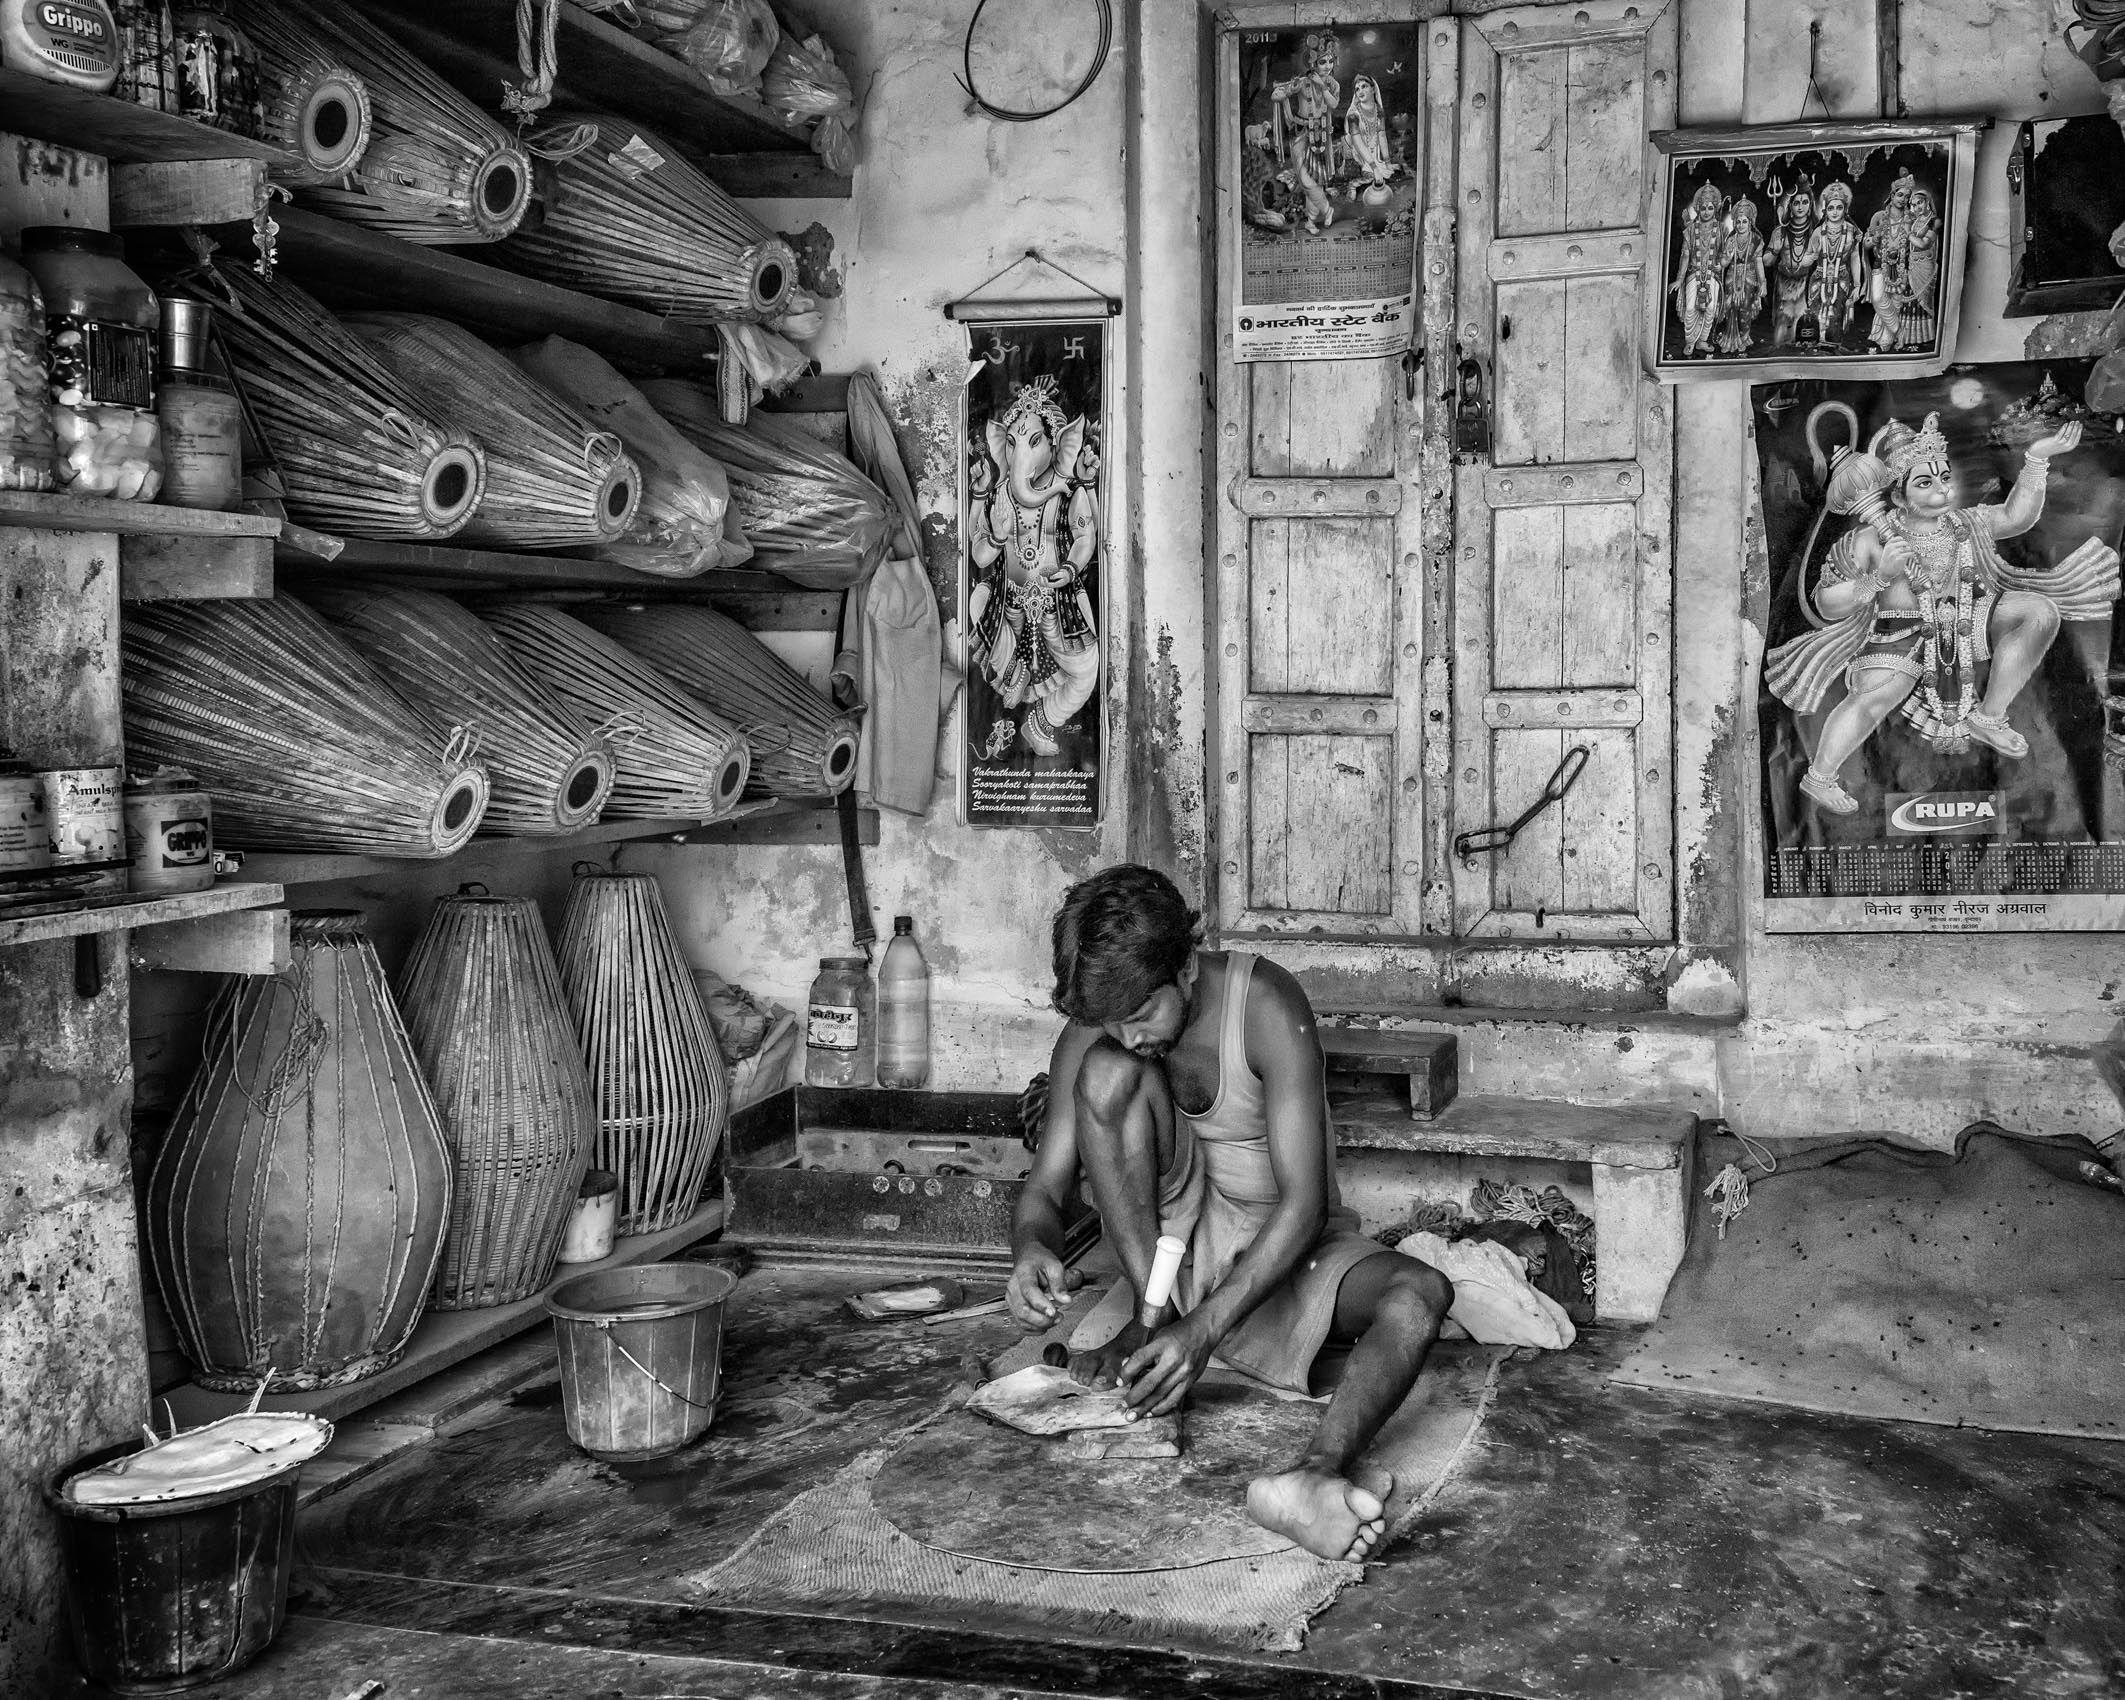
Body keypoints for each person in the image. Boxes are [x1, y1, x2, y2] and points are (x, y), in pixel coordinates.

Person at [1007, 865, 1453, 1564]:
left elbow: (1305, 1206)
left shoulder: (1266, 1004)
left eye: (1140, 1014)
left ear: (1185, 967)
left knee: (1419, 1293)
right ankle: (1149, 1323)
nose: (1128, 1035)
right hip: (1167, 1267)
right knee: (1104, 1071)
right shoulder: (1104, 1033)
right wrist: (1032, 1249)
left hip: (1281, 1255)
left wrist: (1204, 1331)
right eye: (1110, 1022)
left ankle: (1312, 1476)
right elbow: (1042, 1193)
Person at [1765, 411, 2117, 814]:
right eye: (1925, 482)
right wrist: (1879, 578)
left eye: (1944, 478)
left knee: (2038, 611)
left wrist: (2037, 458)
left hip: (1964, 619)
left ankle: (1989, 717)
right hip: (1901, 633)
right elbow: (1827, 604)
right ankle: (1819, 777)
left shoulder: (1964, 523)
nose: (1942, 489)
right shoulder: (1869, 539)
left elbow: (2016, 517)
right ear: (1899, 497)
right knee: (1871, 699)